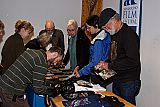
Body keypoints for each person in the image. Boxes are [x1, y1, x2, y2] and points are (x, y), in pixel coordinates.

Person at [96, 8, 141, 105]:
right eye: (104, 27)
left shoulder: (129, 35)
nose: (106, 29)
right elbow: (115, 56)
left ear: (114, 20)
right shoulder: (114, 33)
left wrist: (109, 65)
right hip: (118, 78)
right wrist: (105, 63)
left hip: (128, 82)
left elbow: (133, 61)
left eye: (106, 26)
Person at [73, 15, 111, 80]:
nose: (87, 30)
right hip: (101, 72)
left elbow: (95, 62)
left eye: (89, 28)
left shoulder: (99, 41)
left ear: (96, 25)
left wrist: (81, 72)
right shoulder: (104, 35)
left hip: (98, 73)